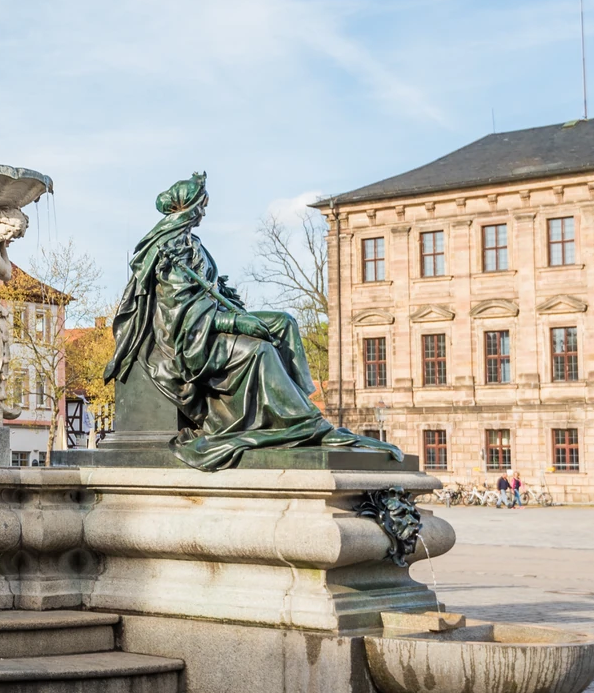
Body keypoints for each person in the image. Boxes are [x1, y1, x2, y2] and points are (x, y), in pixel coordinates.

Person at [106, 172, 401, 472]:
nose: (204, 212)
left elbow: (209, 291)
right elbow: (182, 311)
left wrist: (229, 299)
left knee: (284, 324)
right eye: (201, 206)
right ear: (188, 208)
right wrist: (236, 323)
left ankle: (301, 409)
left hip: (212, 320)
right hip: (191, 338)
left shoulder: (193, 243)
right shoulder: (168, 251)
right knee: (260, 351)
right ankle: (302, 424)